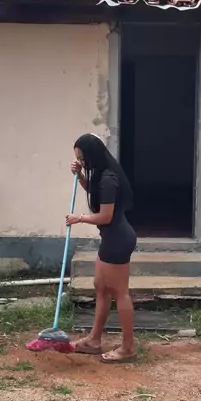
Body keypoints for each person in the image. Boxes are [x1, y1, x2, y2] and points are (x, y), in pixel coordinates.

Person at [66, 133, 137, 363]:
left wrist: (79, 218)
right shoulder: (101, 175)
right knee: (101, 288)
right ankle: (94, 340)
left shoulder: (108, 178)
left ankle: (128, 348)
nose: (80, 162)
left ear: (92, 155)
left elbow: (105, 216)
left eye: (82, 158)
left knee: (119, 292)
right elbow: (95, 193)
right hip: (111, 239)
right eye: (78, 159)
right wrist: (80, 176)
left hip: (118, 240)